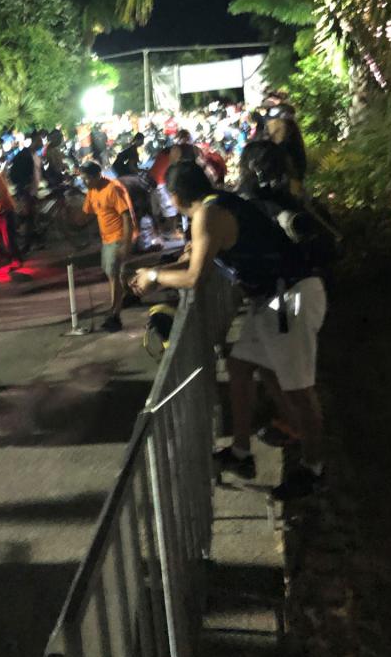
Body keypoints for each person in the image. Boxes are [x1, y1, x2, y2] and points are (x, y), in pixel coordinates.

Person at [130, 161, 327, 500]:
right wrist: (151, 274)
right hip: (273, 298)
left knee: (300, 390)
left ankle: (314, 470)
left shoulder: (207, 216)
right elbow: (196, 261)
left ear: (175, 196)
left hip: (288, 299)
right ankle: (241, 452)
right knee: (240, 365)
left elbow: (195, 276)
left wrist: (154, 277)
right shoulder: (220, 204)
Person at [79, 161, 136, 333]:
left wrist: (126, 243)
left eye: (87, 178)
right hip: (106, 239)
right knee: (114, 273)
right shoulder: (92, 190)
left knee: (113, 274)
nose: (84, 182)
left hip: (118, 237)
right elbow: (87, 213)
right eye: (83, 178)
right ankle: (130, 295)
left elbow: (126, 216)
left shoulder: (113, 189)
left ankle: (114, 314)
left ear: (98, 175)